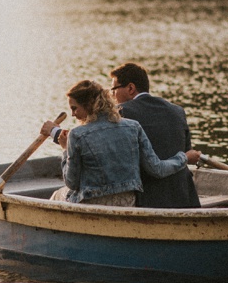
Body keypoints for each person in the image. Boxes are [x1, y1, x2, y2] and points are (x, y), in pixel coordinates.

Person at [41, 80, 200, 206]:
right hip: (127, 203)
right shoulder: (133, 126)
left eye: (75, 108)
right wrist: (183, 158)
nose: (73, 114)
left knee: (57, 195)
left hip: (92, 204)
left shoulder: (76, 134)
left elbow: (72, 183)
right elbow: (157, 169)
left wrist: (64, 150)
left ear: (88, 105)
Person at [108, 62, 201, 208]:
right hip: (184, 197)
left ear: (130, 88)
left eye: (114, 89)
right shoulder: (177, 111)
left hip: (147, 199)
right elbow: (186, 154)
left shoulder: (120, 112)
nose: (112, 95)